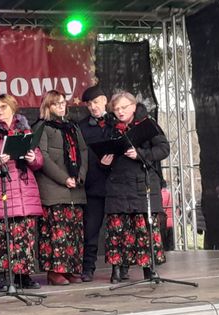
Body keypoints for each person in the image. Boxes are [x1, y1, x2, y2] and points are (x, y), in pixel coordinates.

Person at [0, 94, 43, 292]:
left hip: (24, 189)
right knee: (1, 235)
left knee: (24, 236)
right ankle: (2, 276)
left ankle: (23, 275)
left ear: (13, 108)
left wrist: (32, 157)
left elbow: (39, 161)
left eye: (3, 107)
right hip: (1, 188)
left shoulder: (25, 131)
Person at [104, 91, 170, 283]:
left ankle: (149, 269)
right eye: (116, 109)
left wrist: (140, 154)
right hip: (118, 185)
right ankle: (117, 270)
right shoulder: (110, 128)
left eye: (124, 107)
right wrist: (104, 161)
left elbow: (163, 149)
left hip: (142, 184)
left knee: (144, 229)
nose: (120, 112)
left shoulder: (147, 124)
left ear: (133, 106)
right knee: (118, 229)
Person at [35, 90, 88, 286]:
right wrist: (64, 179)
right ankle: (55, 272)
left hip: (75, 189)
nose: (61, 106)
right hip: (53, 189)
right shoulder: (42, 127)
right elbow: (43, 157)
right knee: (56, 233)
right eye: (56, 103)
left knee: (74, 232)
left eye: (63, 103)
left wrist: (80, 176)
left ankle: (71, 269)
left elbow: (83, 151)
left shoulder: (72, 126)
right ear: (48, 106)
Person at [78, 85, 113, 282]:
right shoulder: (82, 127)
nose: (93, 106)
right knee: (90, 230)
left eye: (96, 102)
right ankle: (87, 268)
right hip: (93, 185)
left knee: (119, 229)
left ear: (105, 100)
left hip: (116, 185)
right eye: (89, 104)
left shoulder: (116, 122)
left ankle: (120, 268)